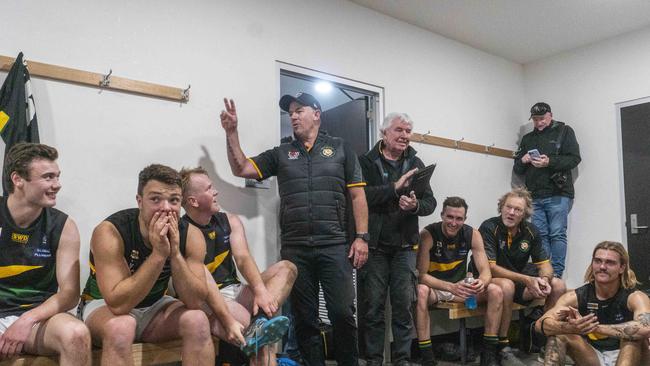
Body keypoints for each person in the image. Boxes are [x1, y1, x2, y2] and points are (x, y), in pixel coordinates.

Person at [220, 93, 369, 366]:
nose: (293, 116)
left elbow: (358, 197)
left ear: (317, 113)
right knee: (304, 319)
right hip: (295, 248)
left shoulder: (341, 148)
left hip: (334, 245)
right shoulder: (281, 153)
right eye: (290, 113)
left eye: (299, 110)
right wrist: (232, 132)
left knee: (342, 313)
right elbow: (241, 167)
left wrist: (361, 238)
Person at [79, 164, 214, 366]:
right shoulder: (111, 231)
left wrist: (175, 254)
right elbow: (119, 304)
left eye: (174, 200)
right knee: (121, 327)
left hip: (154, 307)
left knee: (198, 320)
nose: (166, 208)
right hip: (103, 306)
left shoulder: (191, 234)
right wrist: (159, 255)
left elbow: (194, 301)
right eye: (155, 199)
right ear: (139, 201)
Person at [180, 167, 297, 365]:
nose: (216, 192)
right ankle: (257, 329)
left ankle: (259, 321)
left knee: (287, 268)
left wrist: (260, 292)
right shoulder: (181, 231)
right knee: (261, 343)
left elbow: (243, 258)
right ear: (193, 201)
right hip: (209, 299)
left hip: (234, 289)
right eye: (209, 189)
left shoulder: (229, 220)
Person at [0, 143, 90, 364]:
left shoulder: (63, 225)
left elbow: (69, 294)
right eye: (48, 177)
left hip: (37, 316)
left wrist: (27, 320)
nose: (57, 185)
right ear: (18, 179)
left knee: (77, 334)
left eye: (57, 177)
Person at [358, 112, 436, 366]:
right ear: (384, 132)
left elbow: (430, 203)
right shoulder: (366, 161)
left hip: (405, 247)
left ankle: (402, 360)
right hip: (375, 246)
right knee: (373, 309)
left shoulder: (415, 161)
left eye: (408, 131)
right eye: (399, 130)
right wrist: (393, 190)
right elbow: (361, 197)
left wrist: (414, 205)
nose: (404, 136)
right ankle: (373, 360)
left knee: (403, 308)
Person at [477, 188, 566, 365]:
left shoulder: (531, 230)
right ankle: (502, 346)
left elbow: (545, 264)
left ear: (524, 214)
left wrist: (545, 280)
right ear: (501, 207)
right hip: (491, 281)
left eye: (517, 210)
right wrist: (527, 280)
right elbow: (490, 268)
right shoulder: (489, 227)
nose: (511, 212)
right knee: (507, 285)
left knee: (559, 285)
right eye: (508, 207)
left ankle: (546, 341)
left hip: (518, 278)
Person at [416, 197, 504, 366]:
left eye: (459, 219)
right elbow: (421, 275)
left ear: (464, 219)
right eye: (450, 217)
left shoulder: (472, 233)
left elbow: (486, 271)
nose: (454, 223)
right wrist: (450, 286)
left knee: (496, 290)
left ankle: (489, 353)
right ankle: (427, 357)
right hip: (437, 288)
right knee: (420, 291)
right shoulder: (428, 234)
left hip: (460, 289)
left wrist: (482, 282)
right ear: (442, 215)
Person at [535, 241, 650, 366]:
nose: (602, 267)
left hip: (627, 354)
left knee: (634, 338)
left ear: (622, 267)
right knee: (558, 336)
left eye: (610, 262)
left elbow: (646, 327)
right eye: (598, 261)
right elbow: (540, 324)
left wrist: (593, 327)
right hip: (593, 356)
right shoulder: (575, 297)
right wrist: (571, 328)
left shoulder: (635, 297)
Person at [513, 102, 581, 278]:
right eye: (535, 119)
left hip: (558, 193)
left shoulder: (565, 131)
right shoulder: (527, 139)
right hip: (533, 195)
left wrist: (549, 162)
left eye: (542, 118)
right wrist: (524, 160)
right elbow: (518, 169)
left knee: (557, 234)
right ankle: (545, 274)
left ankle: (556, 275)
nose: (539, 123)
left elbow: (574, 159)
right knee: (539, 235)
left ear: (550, 115)